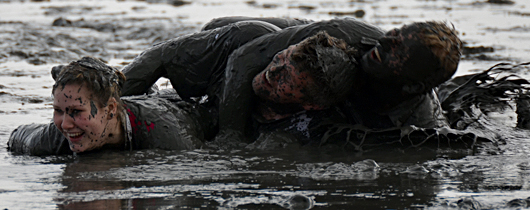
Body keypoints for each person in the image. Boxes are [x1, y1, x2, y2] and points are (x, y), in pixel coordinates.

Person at [8, 57, 216, 155]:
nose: (65, 124)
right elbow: (18, 136)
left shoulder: (165, 135)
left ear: (110, 110)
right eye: (58, 111)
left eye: (76, 112)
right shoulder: (58, 133)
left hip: (184, 107)